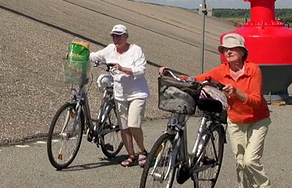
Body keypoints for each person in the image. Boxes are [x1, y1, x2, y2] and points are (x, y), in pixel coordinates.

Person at [160, 33, 271, 188]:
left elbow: (257, 101)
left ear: (243, 52)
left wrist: (236, 92)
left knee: (250, 161)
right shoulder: (222, 70)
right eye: (225, 49)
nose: (229, 52)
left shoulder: (253, 70)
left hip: (257, 120)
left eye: (233, 49)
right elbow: (197, 79)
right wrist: (172, 73)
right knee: (240, 162)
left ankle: (264, 186)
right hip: (235, 120)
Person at [89, 24, 150, 167]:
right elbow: (94, 56)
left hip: (137, 93)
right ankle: (131, 155)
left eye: (119, 36)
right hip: (120, 93)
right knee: (124, 127)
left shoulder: (136, 50)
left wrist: (123, 69)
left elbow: (141, 70)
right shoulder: (110, 49)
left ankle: (142, 151)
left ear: (126, 36)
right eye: (114, 36)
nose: (116, 39)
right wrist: (78, 52)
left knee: (133, 124)